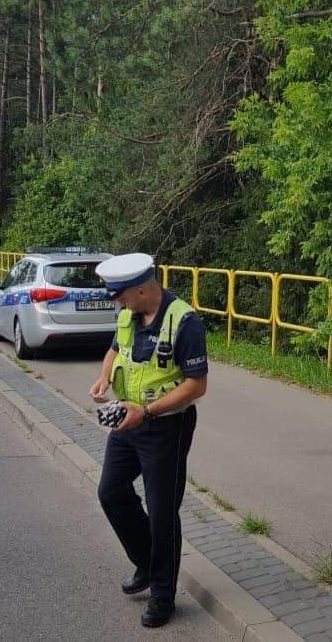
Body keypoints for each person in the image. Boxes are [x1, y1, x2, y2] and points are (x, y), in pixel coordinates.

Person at [88, 253, 208, 628]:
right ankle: (145, 559)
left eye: (122, 296)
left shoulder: (184, 322)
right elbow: (115, 349)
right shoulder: (128, 314)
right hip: (128, 420)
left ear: (143, 288)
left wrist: (149, 411)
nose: (118, 304)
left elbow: (197, 385)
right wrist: (104, 378)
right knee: (111, 492)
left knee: (161, 512)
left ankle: (162, 596)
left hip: (165, 427)